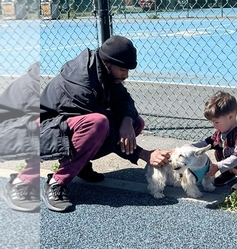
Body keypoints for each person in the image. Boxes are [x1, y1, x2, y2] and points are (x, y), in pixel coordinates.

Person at [40, 35, 170, 212]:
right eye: (123, 69)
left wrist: (127, 121)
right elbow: (105, 130)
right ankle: (56, 182)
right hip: (46, 133)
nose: (126, 75)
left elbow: (124, 99)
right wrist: (143, 154)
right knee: (98, 124)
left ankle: (80, 165)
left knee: (135, 123)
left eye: (128, 70)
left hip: (67, 129)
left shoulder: (102, 69)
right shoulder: (81, 82)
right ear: (108, 63)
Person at [192, 91, 237, 193]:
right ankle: (229, 174)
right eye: (212, 122)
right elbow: (208, 143)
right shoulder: (221, 131)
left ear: (230, 117)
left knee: (234, 159)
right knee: (218, 150)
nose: (214, 125)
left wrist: (218, 166)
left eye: (216, 122)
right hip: (233, 159)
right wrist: (190, 147)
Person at [0, 62, 40, 212]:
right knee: (48, 125)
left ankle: (79, 166)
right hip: (6, 133)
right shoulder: (34, 86)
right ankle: (21, 183)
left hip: (19, 128)